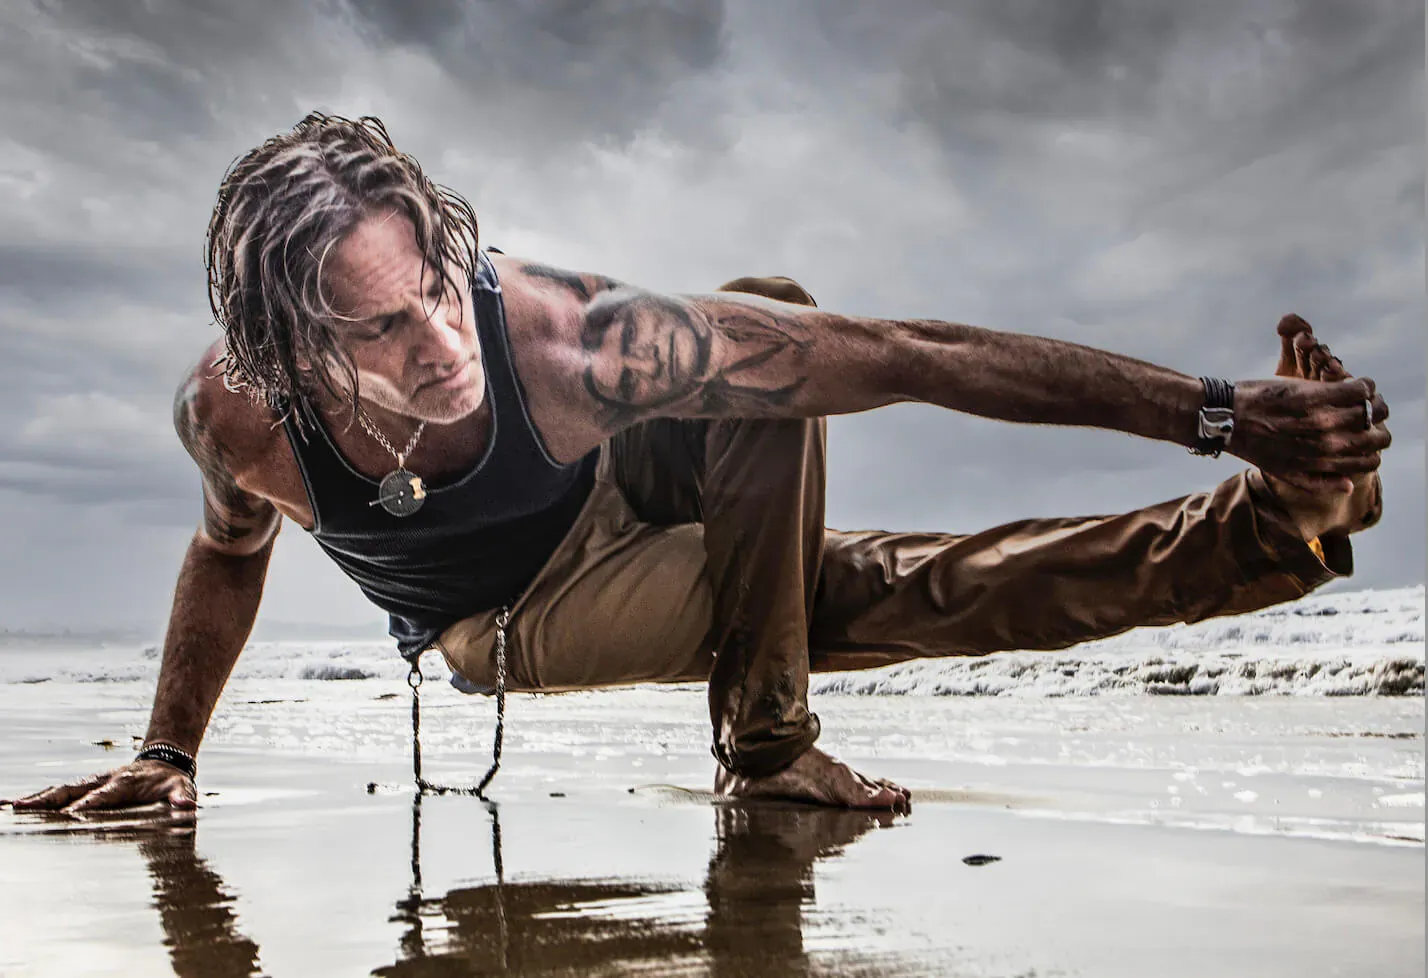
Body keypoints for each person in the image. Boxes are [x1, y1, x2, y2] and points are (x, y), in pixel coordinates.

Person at [4, 113, 1389, 816]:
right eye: (380, 329)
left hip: (611, 479)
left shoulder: (564, 340)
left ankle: (768, 733)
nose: (442, 345)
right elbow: (225, 550)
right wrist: (166, 749)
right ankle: (773, 745)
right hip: (507, 616)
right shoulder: (235, 420)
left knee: (767, 310)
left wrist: (1218, 408)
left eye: (438, 289)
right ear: (289, 354)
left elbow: (898, 350)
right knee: (865, 588)